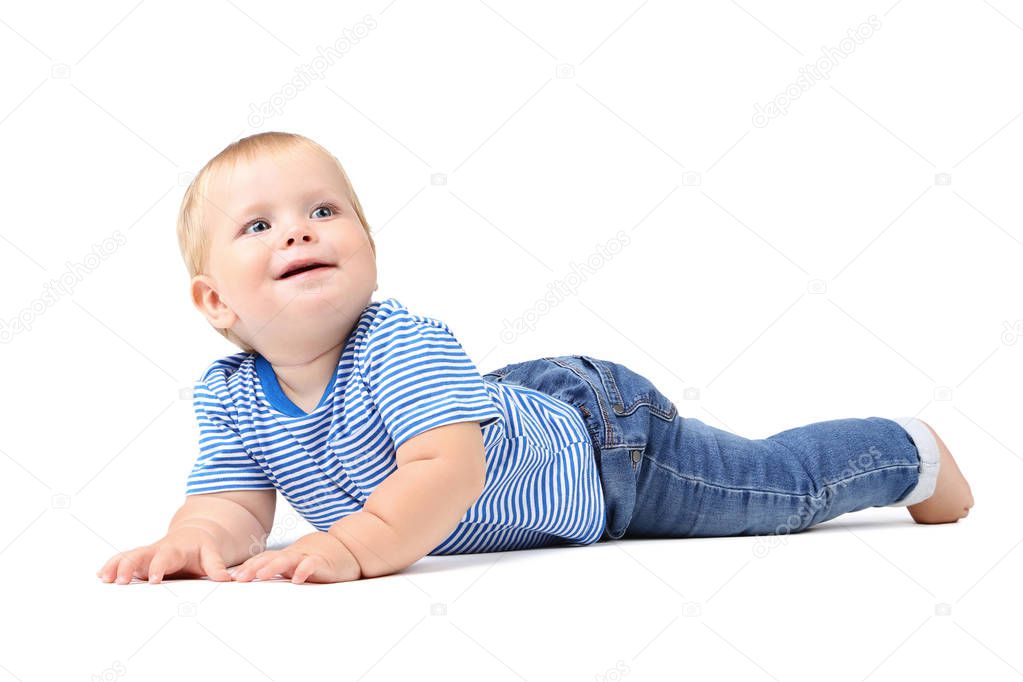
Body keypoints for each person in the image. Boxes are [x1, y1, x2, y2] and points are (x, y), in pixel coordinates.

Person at [96, 132, 975, 586]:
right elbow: (231, 501)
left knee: (770, 490)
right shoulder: (233, 396)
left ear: (368, 249)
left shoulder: (397, 343)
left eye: (323, 211)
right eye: (258, 226)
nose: (298, 230)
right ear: (215, 302)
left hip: (604, 452)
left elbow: (447, 469)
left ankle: (910, 452)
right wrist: (194, 541)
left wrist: (356, 546)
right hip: (510, 413)